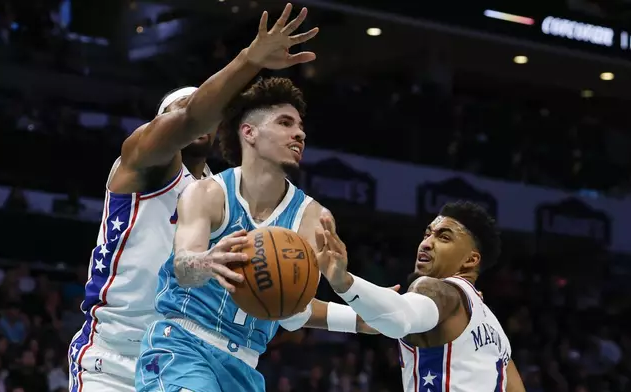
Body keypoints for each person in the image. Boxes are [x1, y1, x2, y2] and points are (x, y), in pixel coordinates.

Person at [67, 4, 320, 391]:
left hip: (184, 355)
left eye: (200, 105)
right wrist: (250, 59)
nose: (190, 113)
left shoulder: (222, 196)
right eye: (177, 107)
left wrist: (363, 307)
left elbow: (277, 292)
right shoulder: (141, 160)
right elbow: (191, 120)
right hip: (112, 359)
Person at [135, 78, 375, 392]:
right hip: (182, 347)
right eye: (285, 123)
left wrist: (362, 319)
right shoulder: (206, 193)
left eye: (300, 126)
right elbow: (183, 267)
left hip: (244, 366)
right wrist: (207, 262)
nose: (299, 133)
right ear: (249, 132)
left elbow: (290, 312)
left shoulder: (314, 217)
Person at [317, 201, 528, 391]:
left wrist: (343, 281)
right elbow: (371, 320)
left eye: (444, 237)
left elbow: (398, 319)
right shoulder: (496, 334)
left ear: (470, 260)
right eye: (427, 234)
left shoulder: (436, 290)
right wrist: (294, 310)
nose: (426, 243)